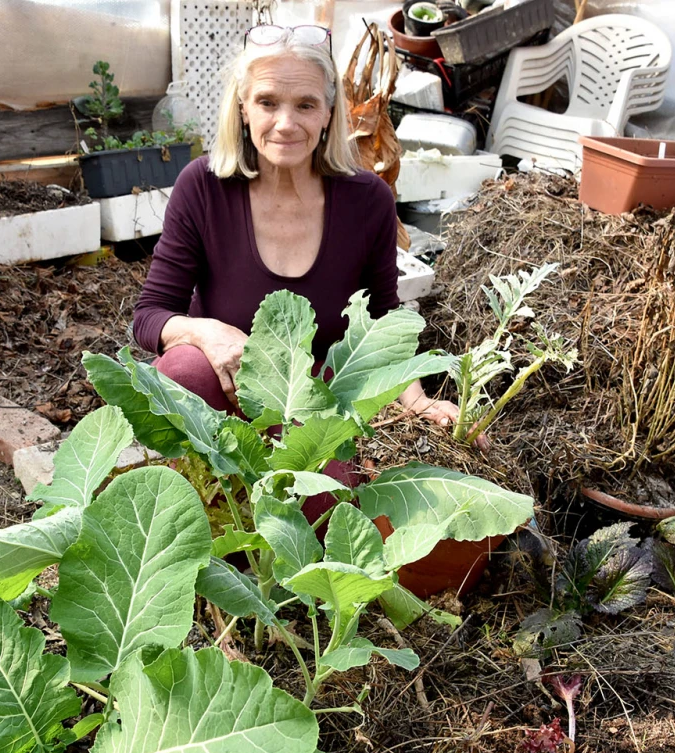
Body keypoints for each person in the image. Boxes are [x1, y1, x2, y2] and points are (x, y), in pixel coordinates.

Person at [132, 22, 473, 441]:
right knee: (183, 370)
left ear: (329, 113)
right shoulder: (203, 187)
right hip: (228, 388)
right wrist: (206, 332)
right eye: (267, 102)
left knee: (326, 474)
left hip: (320, 401)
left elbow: (383, 320)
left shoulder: (368, 200)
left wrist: (417, 401)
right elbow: (150, 316)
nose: (285, 123)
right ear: (243, 108)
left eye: (306, 105)